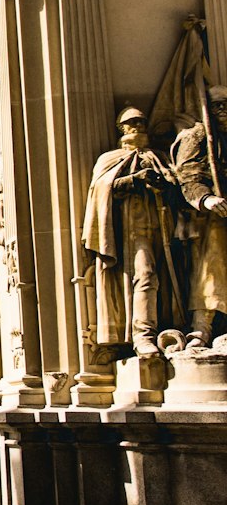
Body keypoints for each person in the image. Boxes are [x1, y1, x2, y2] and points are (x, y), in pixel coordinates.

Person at [83, 105, 180, 356]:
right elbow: (102, 190)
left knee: (166, 278)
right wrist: (135, 180)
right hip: (130, 229)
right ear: (121, 128)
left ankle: (167, 329)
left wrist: (164, 183)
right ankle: (143, 335)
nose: (137, 126)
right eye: (131, 122)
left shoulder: (159, 156)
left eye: (141, 122)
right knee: (145, 275)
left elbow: (177, 186)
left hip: (163, 227)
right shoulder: (110, 159)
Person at [172, 86, 227, 348]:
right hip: (209, 216)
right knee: (212, 264)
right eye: (217, 106)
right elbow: (188, 176)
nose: (223, 111)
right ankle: (202, 327)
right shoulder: (197, 136)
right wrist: (207, 199)